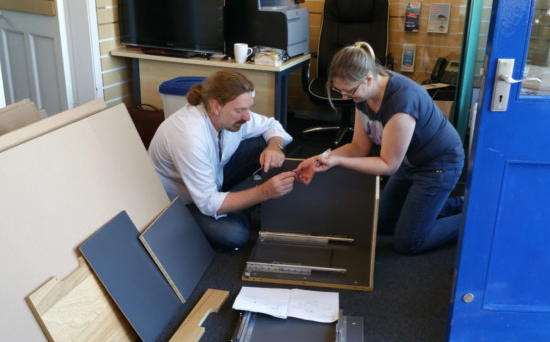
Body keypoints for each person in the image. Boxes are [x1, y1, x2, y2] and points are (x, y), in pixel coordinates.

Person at [294, 42, 464, 255]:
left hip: (438, 165)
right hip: (408, 160)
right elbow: (358, 147)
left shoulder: (401, 101)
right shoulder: (363, 92)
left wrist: (336, 161)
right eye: (341, 91)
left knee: (408, 243)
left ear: (368, 79)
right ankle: (437, 208)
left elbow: (388, 165)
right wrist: (321, 157)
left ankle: (474, 216)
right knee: (382, 224)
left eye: (349, 91)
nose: (345, 97)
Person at [149, 70, 296, 250]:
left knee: (265, 143)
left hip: (214, 175)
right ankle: (241, 204)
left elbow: (271, 125)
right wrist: (263, 192)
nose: (247, 117)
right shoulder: (189, 136)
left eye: (248, 108)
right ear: (216, 106)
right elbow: (207, 203)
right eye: (240, 110)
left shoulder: (229, 115)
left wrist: (275, 146)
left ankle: (238, 203)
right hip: (184, 200)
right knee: (236, 234)